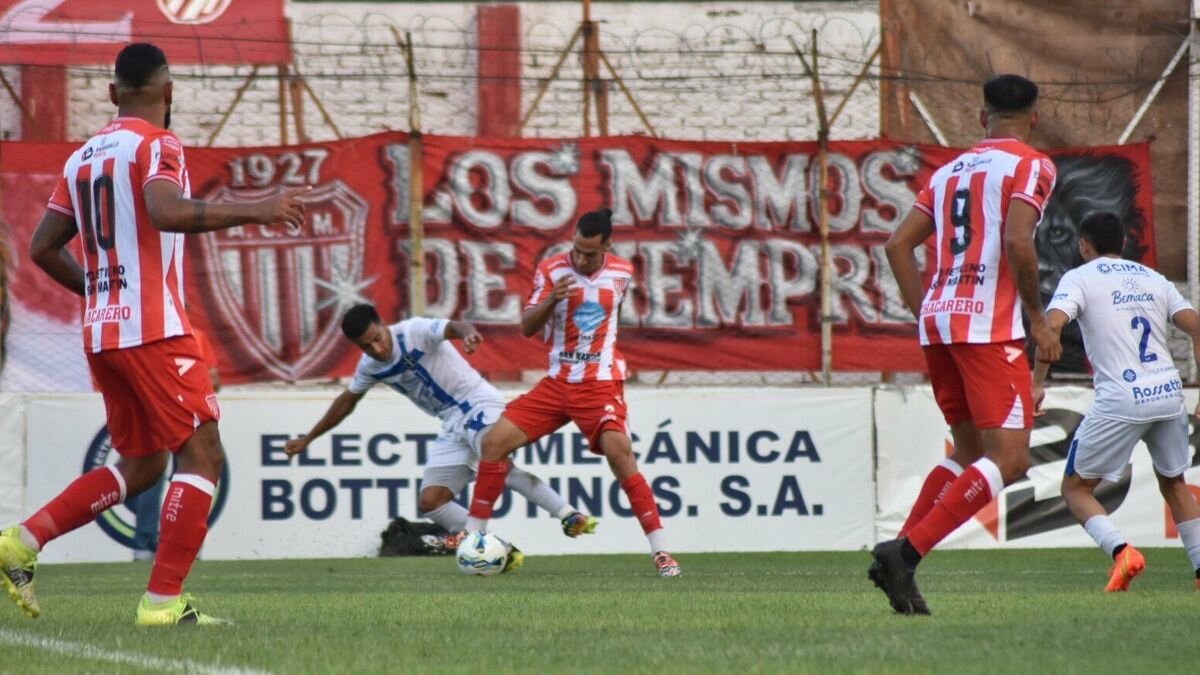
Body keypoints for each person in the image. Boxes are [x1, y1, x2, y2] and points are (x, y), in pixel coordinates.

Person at [0, 43, 306, 626]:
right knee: (204, 454)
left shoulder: (81, 157)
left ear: (113, 94)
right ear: (169, 92)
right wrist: (258, 208)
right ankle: (163, 602)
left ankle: (23, 540)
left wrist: (99, 295)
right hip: (154, 330)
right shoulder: (158, 143)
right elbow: (165, 211)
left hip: (103, 333)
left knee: (142, 465)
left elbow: (42, 248)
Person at [875, 74, 1061, 614]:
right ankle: (905, 555)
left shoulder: (949, 171)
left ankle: (892, 556)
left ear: (981, 118)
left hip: (939, 322)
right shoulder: (1032, 164)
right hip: (989, 328)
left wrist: (924, 311)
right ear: (1035, 116)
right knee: (1009, 459)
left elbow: (897, 244)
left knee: (970, 452)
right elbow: (1018, 239)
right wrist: (1037, 317)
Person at [284, 304, 598, 570]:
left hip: (477, 402)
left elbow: (455, 326)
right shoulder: (370, 366)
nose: (376, 349)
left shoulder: (414, 331)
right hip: (450, 423)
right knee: (432, 502)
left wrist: (468, 335)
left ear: (383, 325)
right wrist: (309, 438)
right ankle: (499, 549)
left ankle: (568, 514)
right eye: (366, 346)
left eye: (377, 338)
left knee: (496, 461)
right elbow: (347, 402)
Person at [461, 208, 682, 578]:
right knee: (494, 443)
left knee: (620, 455)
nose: (580, 258)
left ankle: (661, 552)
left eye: (589, 252)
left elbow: (607, 324)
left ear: (607, 246)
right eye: (576, 249)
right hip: (557, 384)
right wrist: (552, 300)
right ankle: (473, 536)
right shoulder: (551, 270)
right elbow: (527, 328)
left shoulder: (622, 273)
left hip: (598, 386)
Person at [1033, 212, 1200, 591]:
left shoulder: (1078, 277)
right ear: (1122, 244)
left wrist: (1036, 384)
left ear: (1083, 245)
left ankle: (1123, 552)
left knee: (1075, 490)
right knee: (1174, 483)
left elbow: (1053, 325)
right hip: (1168, 393)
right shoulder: (1152, 278)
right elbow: (1196, 325)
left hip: (1122, 398)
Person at [129, 325, 221, 562]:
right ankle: (186, 544)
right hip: (188, 413)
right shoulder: (195, 335)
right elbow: (213, 378)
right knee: (194, 475)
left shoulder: (145, 333)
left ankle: (144, 545)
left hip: (155, 411)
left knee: (152, 475)